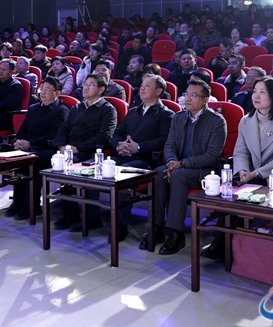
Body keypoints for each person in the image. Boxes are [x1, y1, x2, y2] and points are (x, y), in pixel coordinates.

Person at [202, 76, 273, 259]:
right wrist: (242, 170)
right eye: (255, 91)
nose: (256, 96)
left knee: (247, 192)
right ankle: (223, 242)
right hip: (248, 174)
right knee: (231, 194)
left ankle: (229, 245)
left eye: (263, 92)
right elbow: (240, 151)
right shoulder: (246, 120)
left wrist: (256, 173)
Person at [141, 79, 227, 254]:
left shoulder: (216, 121)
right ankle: (156, 228)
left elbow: (212, 155)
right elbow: (169, 145)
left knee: (179, 176)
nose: (187, 98)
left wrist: (182, 164)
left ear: (205, 99)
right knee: (157, 174)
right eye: (186, 94)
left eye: (193, 95)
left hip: (205, 171)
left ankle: (176, 233)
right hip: (178, 166)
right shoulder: (178, 117)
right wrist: (172, 162)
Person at [112, 75, 175, 242]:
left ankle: (120, 225)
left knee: (124, 174)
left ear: (159, 91)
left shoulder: (166, 115)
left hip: (145, 161)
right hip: (123, 155)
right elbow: (118, 132)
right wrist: (119, 145)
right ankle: (91, 217)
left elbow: (164, 140)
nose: (142, 88)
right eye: (142, 85)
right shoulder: (133, 111)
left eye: (147, 85)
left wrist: (138, 147)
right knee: (99, 166)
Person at [53, 75, 117, 231]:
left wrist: (78, 147)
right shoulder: (77, 107)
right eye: (85, 84)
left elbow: (105, 135)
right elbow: (63, 129)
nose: (85, 88)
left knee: (67, 164)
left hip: (90, 151)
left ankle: (92, 219)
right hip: (70, 149)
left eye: (91, 85)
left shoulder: (107, 109)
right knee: (54, 161)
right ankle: (70, 216)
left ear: (101, 89)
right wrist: (62, 146)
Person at [6, 77, 70, 220]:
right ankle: (18, 202)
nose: (43, 92)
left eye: (48, 89)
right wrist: (18, 141)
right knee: (14, 157)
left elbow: (53, 136)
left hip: (47, 149)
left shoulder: (62, 111)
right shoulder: (33, 108)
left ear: (57, 93)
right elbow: (22, 129)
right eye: (42, 88)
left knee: (31, 162)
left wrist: (29, 143)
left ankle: (31, 206)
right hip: (27, 147)